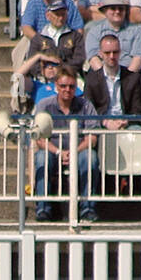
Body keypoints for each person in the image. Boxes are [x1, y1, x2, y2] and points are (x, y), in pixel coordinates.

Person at [33, 64, 100, 222]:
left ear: (76, 87)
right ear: (56, 85)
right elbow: (39, 138)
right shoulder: (44, 105)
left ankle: (87, 208)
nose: (67, 90)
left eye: (71, 86)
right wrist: (58, 152)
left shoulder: (86, 105)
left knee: (90, 158)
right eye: (63, 86)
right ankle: (43, 208)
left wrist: (74, 152)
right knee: (42, 157)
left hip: (78, 151)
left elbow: (93, 137)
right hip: (52, 151)